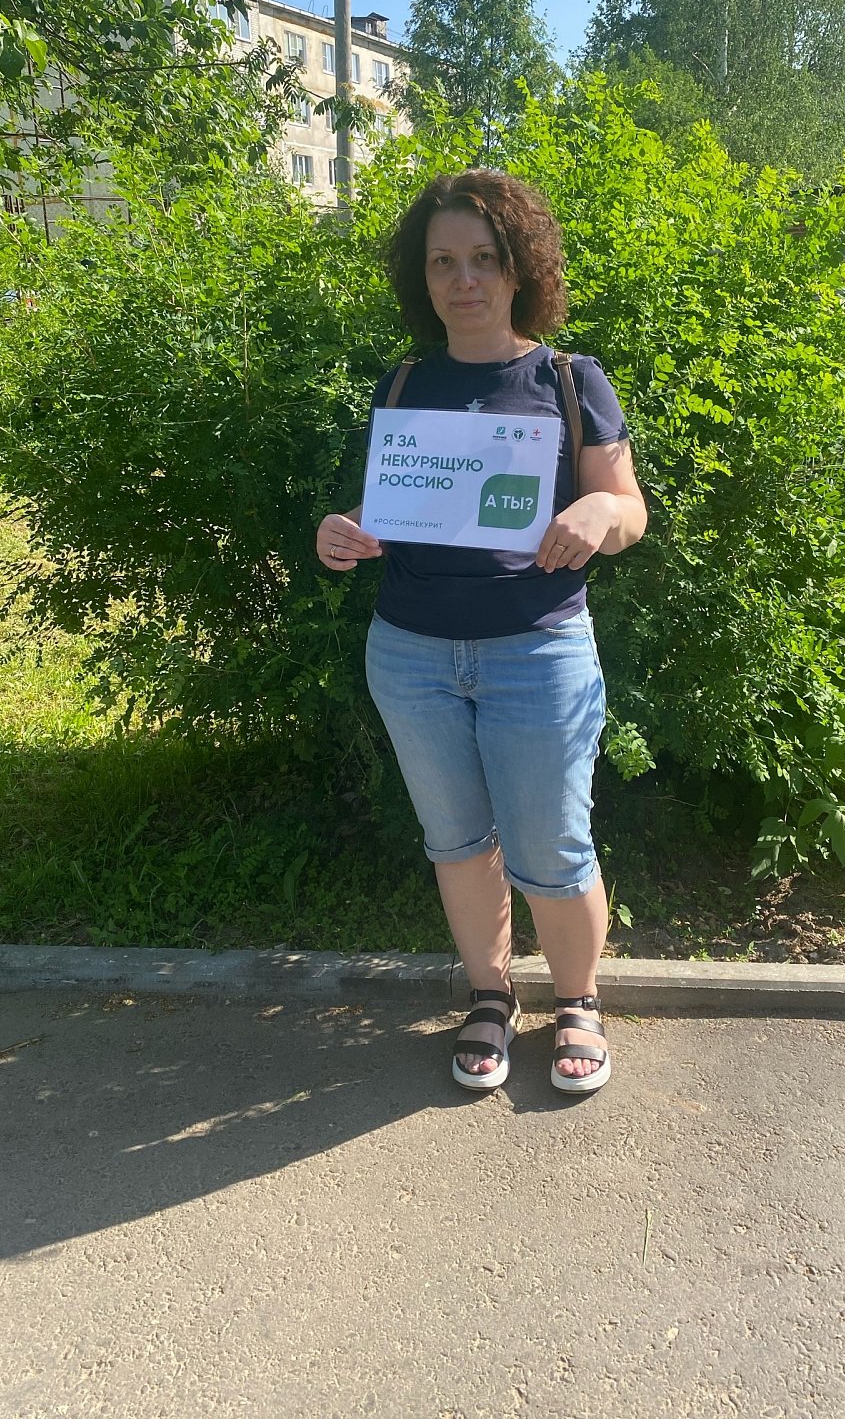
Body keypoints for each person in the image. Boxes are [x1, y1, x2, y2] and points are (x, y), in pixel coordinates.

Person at [315, 170, 646, 1095]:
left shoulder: (570, 380)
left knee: (553, 849)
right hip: (410, 653)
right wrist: (344, 531)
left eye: (484, 259)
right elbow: (399, 507)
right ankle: (490, 997)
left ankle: (578, 1002)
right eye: (443, 262)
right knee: (456, 842)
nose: (463, 280)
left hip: (537, 651)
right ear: (421, 276)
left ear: (519, 268)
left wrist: (599, 514)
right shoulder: (404, 382)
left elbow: (629, 510)